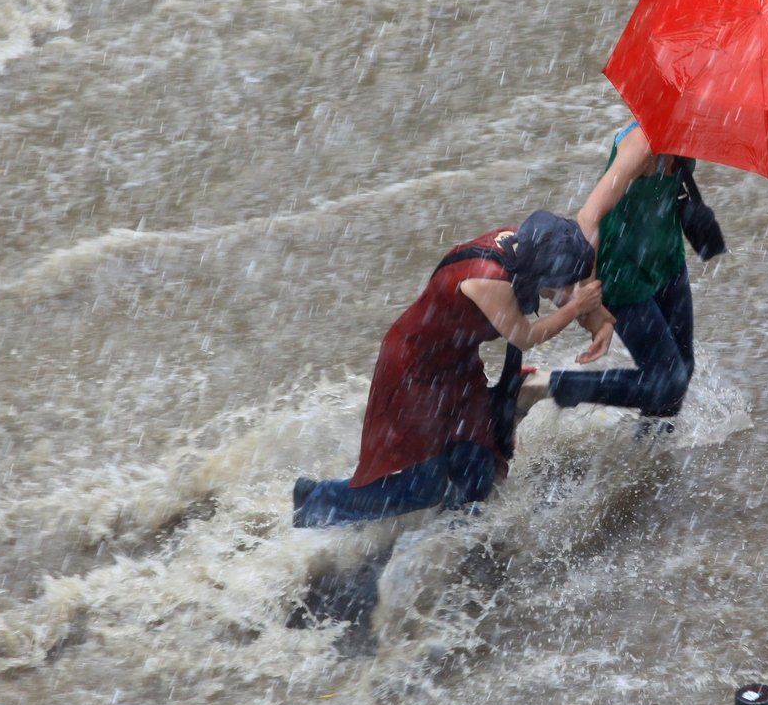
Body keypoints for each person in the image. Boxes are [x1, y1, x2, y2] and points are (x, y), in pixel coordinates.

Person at [293, 212, 599, 528]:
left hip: (456, 364)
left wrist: (597, 317)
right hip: (414, 371)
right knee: (423, 487)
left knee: (478, 464)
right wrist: (578, 307)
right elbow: (524, 335)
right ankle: (316, 500)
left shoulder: (525, 244)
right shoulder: (488, 277)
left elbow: (566, 288)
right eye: (566, 282)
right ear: (543, 271)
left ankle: (443, 543)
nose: (571, 289)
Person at [522, 122, 696, 422]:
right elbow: (588, 218)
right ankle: (542, 385)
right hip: (622, 274)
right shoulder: (641, 145)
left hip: (667, 261)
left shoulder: (690, 132)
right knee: (668, 383)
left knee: (680, 371)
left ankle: (648, 460)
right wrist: (592, 302)